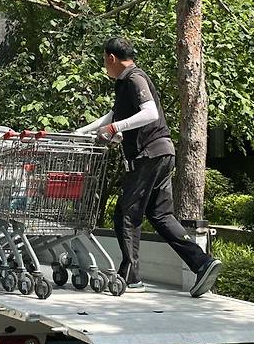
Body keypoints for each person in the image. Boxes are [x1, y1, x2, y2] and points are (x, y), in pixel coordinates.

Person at [76, 37, 222, 297]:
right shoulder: (125, 84)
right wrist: (84, 131)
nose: (104, 66)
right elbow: (113, 116)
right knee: (161, 216)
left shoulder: (134, 78)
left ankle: (130, 278)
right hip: (162, 153)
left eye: (104, 60)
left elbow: (149, 113)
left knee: (126, 214)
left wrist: (115, 129)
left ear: (111, 58)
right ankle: (202, 263)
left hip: (148, 155)